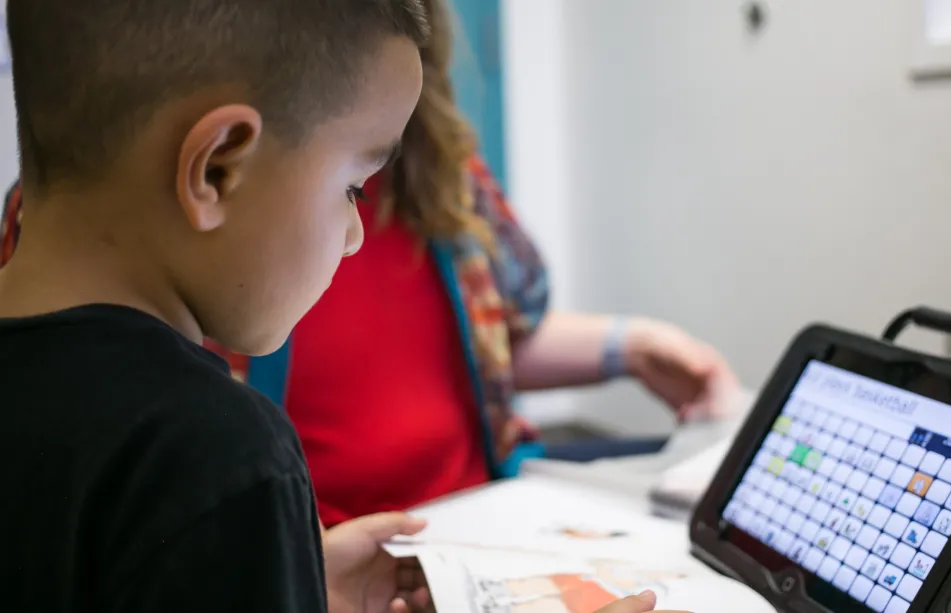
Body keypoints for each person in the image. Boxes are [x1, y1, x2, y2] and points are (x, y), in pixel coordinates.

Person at [0, 1, 682, 613]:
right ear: (217, 167)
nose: (355, 235)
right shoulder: (225, 458)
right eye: (353, 187)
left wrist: (284, 578)